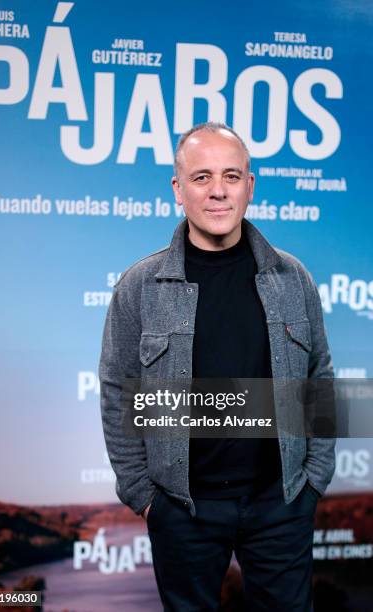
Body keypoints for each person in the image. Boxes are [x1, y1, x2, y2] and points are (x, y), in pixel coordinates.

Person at [99, 122, 336, 611]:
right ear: (178, 190)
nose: (218, 191)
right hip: (183, 510)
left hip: (281, 503)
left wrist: (314, 478)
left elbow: (320, 377)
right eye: (202, 177)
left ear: (250, 186)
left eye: (231, 175)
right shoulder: (139, 286)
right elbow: (119, 393)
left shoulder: (293, 279)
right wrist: (144, 495)